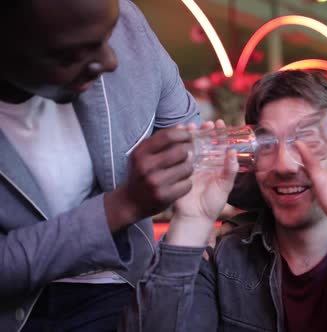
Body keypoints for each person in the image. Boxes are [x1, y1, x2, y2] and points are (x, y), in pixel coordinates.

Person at [123, 70, 327, 331]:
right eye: (267, 143)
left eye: (308, 139)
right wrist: (192, 222)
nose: (283, 164)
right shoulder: (226, 260)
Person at [0, 0, 200, 330]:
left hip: (123, 289)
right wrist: (122, 207)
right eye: (70, 55)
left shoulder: (127, 26)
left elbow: (194, 142)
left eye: (109, 34)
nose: (111, 61)